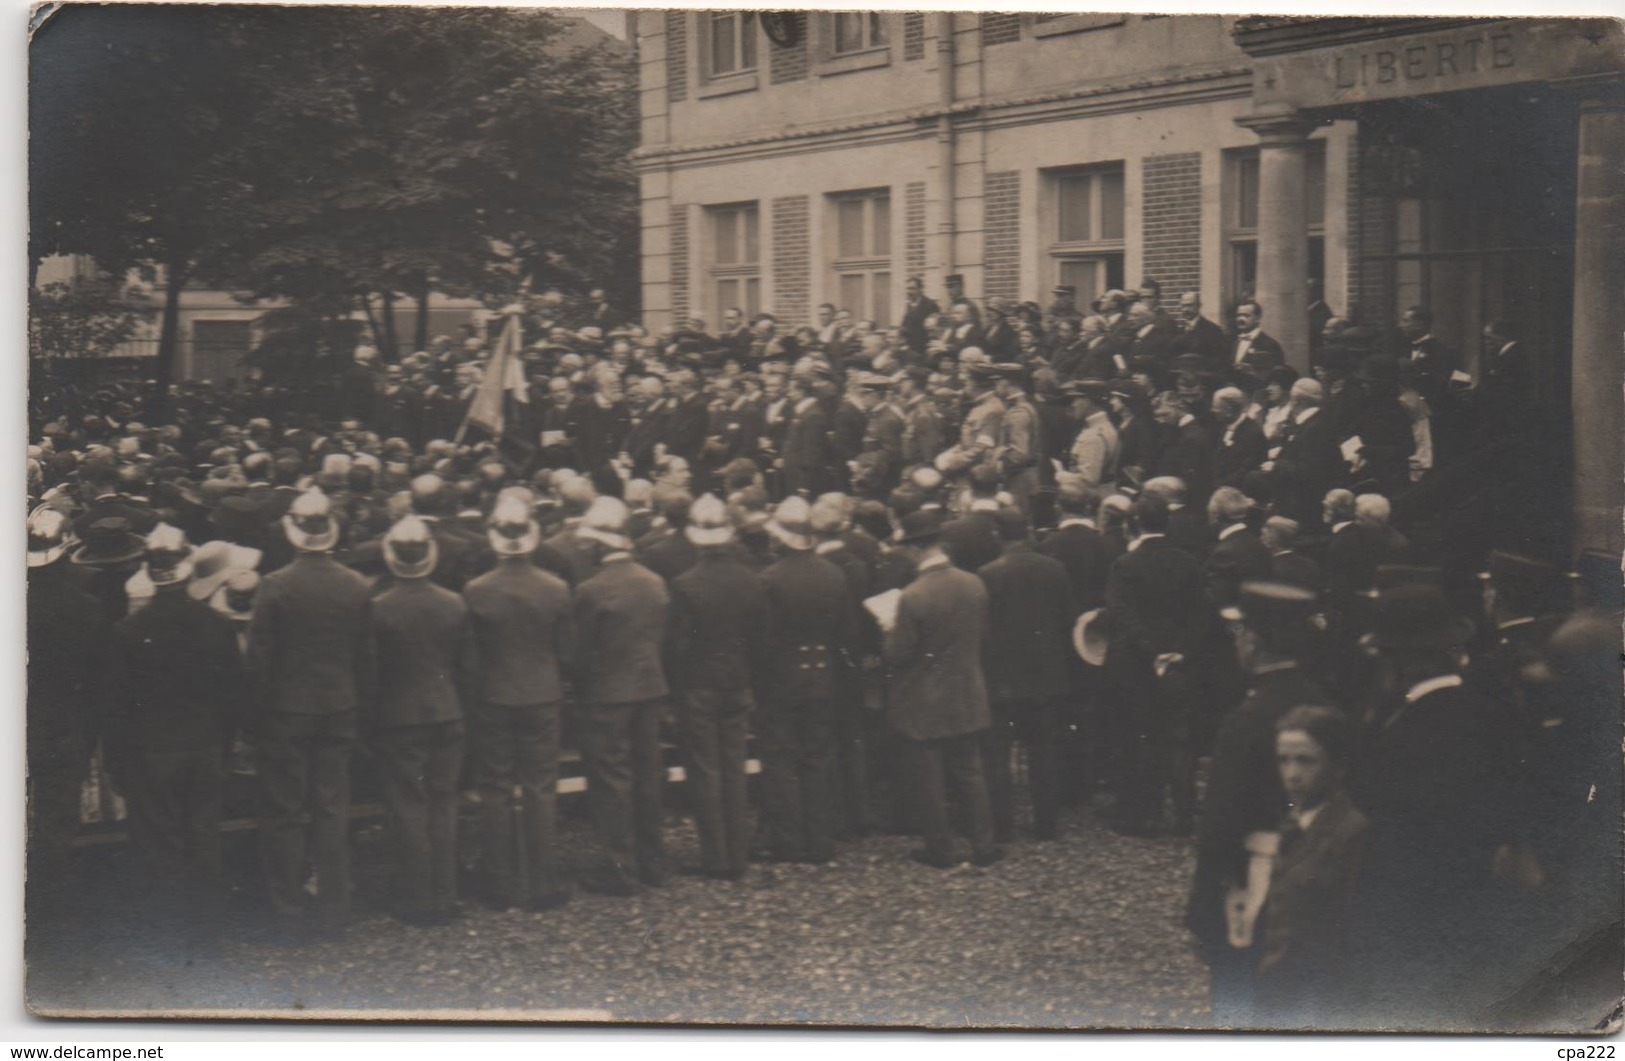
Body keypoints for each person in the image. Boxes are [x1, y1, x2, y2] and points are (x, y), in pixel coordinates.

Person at [1187, 581, 1330, 1026]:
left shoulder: (1247, 718)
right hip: (1315, 875)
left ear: (1254, 639)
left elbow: (1220, 825)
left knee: (1238, 995)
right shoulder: (1322, 702)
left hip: (1252, 881)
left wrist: (1201, 906)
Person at [106, 523, 245, 940]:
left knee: (158, 844)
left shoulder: (127, 632)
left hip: (151, 751)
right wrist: (225, 744)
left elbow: (116, 705)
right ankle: (207, 930)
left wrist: (117, 763)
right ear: (187, 569)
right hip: (203, 745)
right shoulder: (218, 626)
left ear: (150, 572)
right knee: (204, 836)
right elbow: (232, 695)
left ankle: (167, 932)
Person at [247, 488, 375, 941]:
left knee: (284, 809)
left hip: (286, 709)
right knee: (330, 806)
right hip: (339, 705)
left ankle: (289, 903)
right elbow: (366, 654)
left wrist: (257, 710)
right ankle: (334, 900)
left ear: (295, 533)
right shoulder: (357, 585)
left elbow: (259, 657)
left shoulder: (275, 585)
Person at [462, 495, 576, 911]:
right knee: (540, 788)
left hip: (493, 696)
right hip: (542, 695)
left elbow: (471, 658)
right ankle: (543, 882)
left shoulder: (475, 591)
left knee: (494, 788)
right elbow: (567, 651)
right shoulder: (557, 588)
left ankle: (500, 882)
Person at [369, 515, 479, 926]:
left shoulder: (378, 608)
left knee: (409, 804)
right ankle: (444, 892)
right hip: (447, 712)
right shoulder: (454, 602)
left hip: (399, 717)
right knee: (443, 802)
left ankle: (418, 895)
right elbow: (468, 669)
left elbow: (373, 671)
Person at [884, 509, 1002, 867]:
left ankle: (940, 848)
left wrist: (888, 629)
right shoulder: (974, 583)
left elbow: (898, 654)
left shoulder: (912, 596)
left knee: (930, 777)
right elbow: (982, 636)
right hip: (967, 690)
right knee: (970, 771)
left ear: (916, 549)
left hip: (925, 697)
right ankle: (985, 845)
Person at [571, 496, 673, 894]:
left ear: (599, 544)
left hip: (606, 693)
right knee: (648, 773)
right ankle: (653, 861)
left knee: (612, 779)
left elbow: (580, 651)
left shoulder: (591, 590)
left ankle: (621, 866)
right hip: (649, 687)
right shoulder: (653, 582)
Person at [668, 494, 771, 879]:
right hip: (738, 682)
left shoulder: (685, 585)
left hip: (699, 684)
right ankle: (738, 855)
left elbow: (678, 646)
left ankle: (716, 856)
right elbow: (761, 639)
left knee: (706, 769)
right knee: (734, 766)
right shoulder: (751, 580)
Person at [755, 496, 857, 864]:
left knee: (780, 759)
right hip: (824, 676)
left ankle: (788, 840)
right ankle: (820, 840)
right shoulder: (834, 574)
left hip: (780, 680)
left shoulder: (768, 578)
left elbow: (762, 639)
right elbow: (847, 633)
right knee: (817, 757)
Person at [1254, 705, 1368, 1027]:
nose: (1292, 774)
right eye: (1283, 760)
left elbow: (1349, 935)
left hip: (1317, 1005)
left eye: (1306, 761)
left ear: (1338, 765)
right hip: (1278, 995)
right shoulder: (1293, 820)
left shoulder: (1350, 831)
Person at [1103, 494, 1206, 836]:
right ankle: (1184, 814)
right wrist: (1180, 652)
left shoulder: (1125, 565)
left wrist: (1152, 652)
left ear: (1134, 525)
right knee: (1178, 739)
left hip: (1137, 663)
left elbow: (1124, 616)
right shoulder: (1188, 562)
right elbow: (1199, 615)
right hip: (1179, 662)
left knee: (1139, 736)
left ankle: (1143, 815)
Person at [26, 506, 110, 927]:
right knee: (57, 823)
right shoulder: (85, 607)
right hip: (63, 727)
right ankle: (51, 916)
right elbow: (98, 683)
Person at [977, 508, 1074, 842]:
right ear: (1029, 530)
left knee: (998, 757)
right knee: (1044, 754)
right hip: (1046, 677)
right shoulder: (1055, 570)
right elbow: (1066, 621)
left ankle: (1002, 826)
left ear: (996, 535)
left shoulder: (988, 574)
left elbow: (984, 631)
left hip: (1002, 680)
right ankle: (1047, 824)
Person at [1231, 301, 1286, 375]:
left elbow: (1278, 374)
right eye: (1238, 315)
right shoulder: (1231, 341)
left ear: (1258, 318)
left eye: (1246, 315)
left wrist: (1252, 372)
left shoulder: (1270, 344)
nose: (1240, 319)